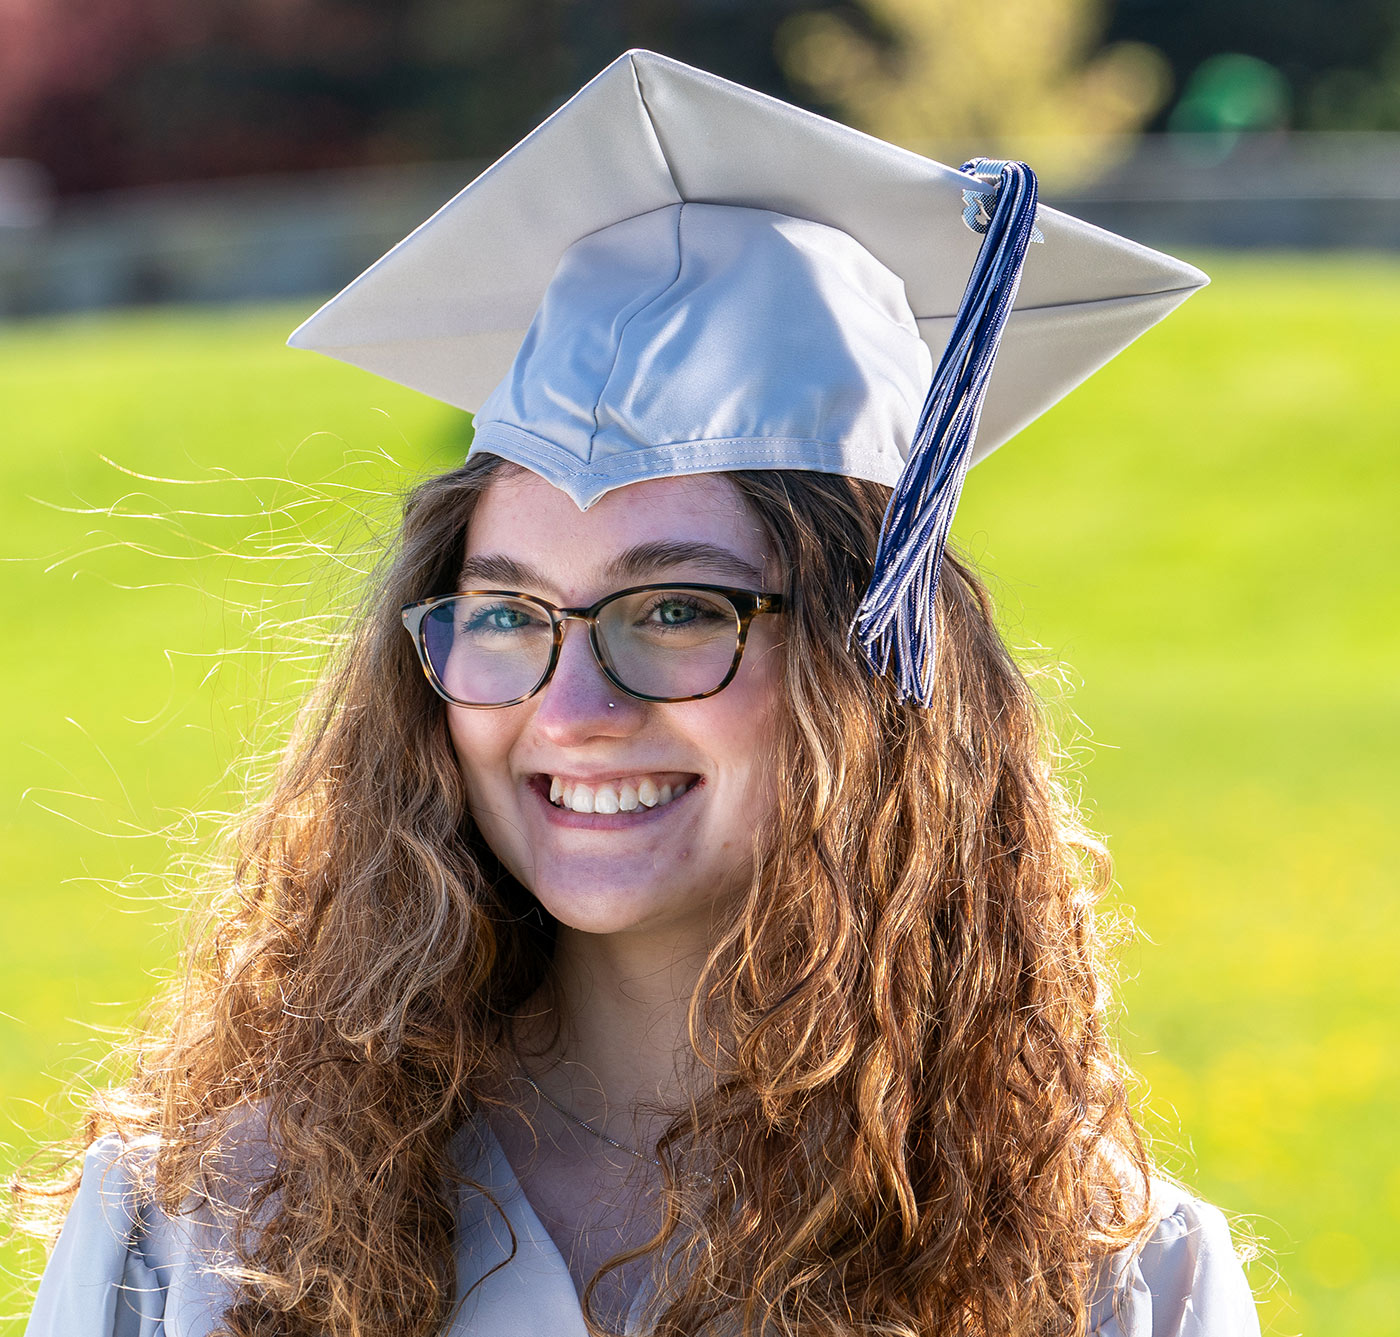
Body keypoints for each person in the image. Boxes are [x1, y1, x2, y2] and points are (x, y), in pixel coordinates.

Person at [20, 50, 1261, 1337]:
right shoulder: (207, 1227)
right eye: (506, 613)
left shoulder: (1099, 1274)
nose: (568, 710)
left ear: (876, 665)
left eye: (675, 611)